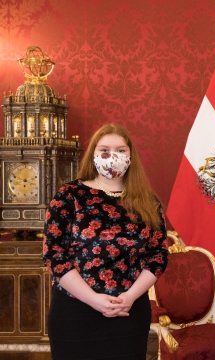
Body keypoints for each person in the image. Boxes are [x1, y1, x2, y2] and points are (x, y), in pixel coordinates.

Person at [43, 123, 169, 359]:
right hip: (75, 311)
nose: (113, 156)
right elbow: (55, 256)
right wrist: (94, 300)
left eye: (121, 150)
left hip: (128, 311)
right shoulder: (69, 195)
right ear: (93, 155)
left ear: (131, 156)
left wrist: (128, 298)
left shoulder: (148, 201)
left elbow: (158, 256)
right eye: (105, 149)